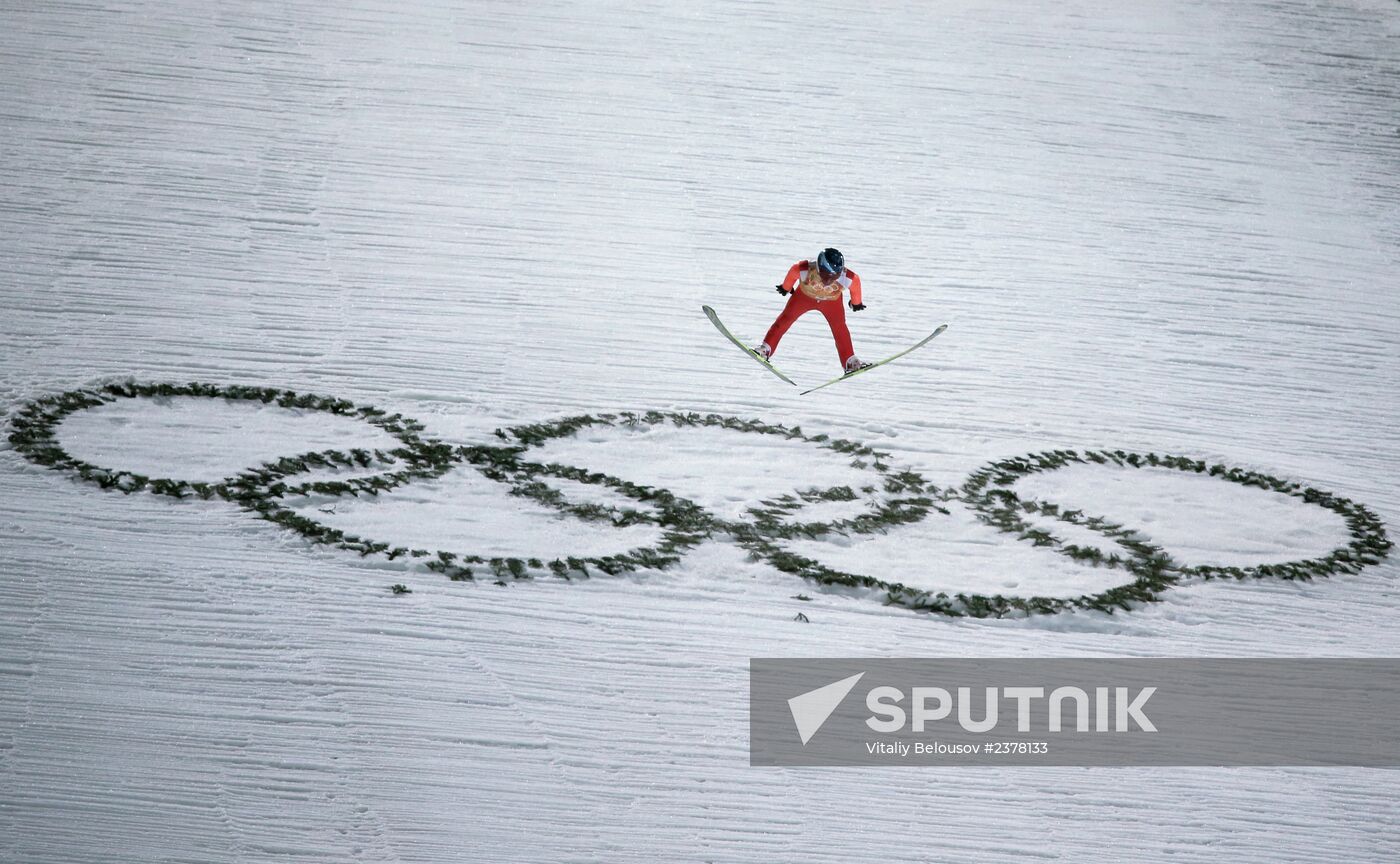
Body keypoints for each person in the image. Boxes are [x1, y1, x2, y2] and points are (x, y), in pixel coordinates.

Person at [753, 248, 871, 373]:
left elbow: (856, 285)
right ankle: (765, 349)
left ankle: (850, 361)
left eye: (834, 276)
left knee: (839, 328)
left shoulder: (848, 277)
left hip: (831, 302)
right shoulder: (805, 268)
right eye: (825, 275)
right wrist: (786, 287)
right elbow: (794, 271)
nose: (828, 281)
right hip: (804, 297)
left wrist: (856, 303)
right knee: (785, 319)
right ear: (819, 268)